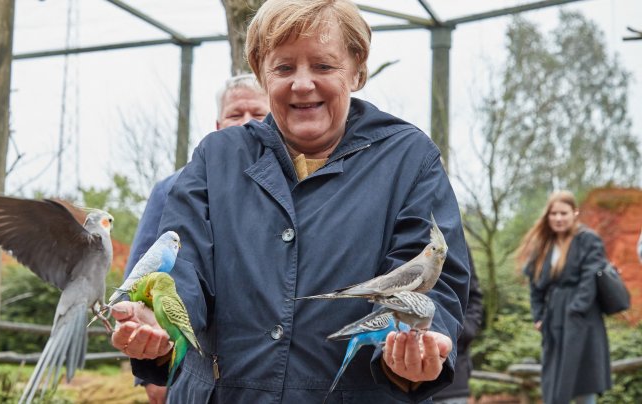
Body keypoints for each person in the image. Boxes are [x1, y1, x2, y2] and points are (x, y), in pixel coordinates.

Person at [111, 0, 470, 402]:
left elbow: (430, 274)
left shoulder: (408, 159)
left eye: (323, 66)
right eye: (283, 68)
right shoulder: (217, 158)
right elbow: (183, 258)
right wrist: (160, 321)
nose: (302, 83)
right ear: (262, 74)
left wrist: (409, 349)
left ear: (357, 69)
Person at [123, 73, 269, 403]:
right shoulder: (175, 187)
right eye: (235, 114)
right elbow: (141, 278)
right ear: (218, 125)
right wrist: (150, 372)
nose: (245, 123)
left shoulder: (295, 190)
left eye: (257, 114)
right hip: (194, 371)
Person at [517, 191, 611, 404]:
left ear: (574, 213)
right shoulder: (544, 245)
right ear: (547, 216)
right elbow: (535, 285)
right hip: (554, 321)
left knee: (583, 383)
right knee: (553, 384)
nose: (558, 218)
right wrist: (538, 317)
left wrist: (576, 310)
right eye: (554, 213)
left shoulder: (588, 240)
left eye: (563, 213)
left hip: (584, 321)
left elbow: (590, 279)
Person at [433, 248, 483, 404]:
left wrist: (461, 332)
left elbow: (473, 295)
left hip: (454, 375)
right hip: (395, 382)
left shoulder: (453, 233)